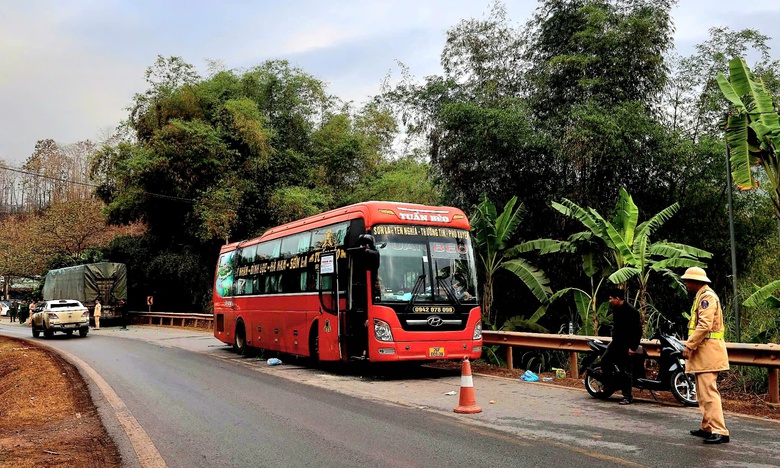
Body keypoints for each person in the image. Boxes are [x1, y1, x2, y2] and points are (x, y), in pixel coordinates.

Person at [681, 267, 730, 444]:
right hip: (704, 352)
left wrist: (689, 346)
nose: (686, 284)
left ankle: (719, 430)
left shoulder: (707, 297)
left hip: (708, 351)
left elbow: (704, 325)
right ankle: (708, 426)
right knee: (703, 393)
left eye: (688, 280)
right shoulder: (702, 296)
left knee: (708, 392)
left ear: (696, 281)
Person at [602, 287, 642, 405]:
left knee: (626, 371)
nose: (610, 301)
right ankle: (610, 386)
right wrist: (613, 340)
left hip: (627, 345)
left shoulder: (632, 312)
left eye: (611, 299)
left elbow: (637, 331)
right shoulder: (616, 309)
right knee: (605, 360)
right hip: (616, 343)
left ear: (617, 298)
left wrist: (633, 347)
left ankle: (627, 396)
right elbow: (617, 328)